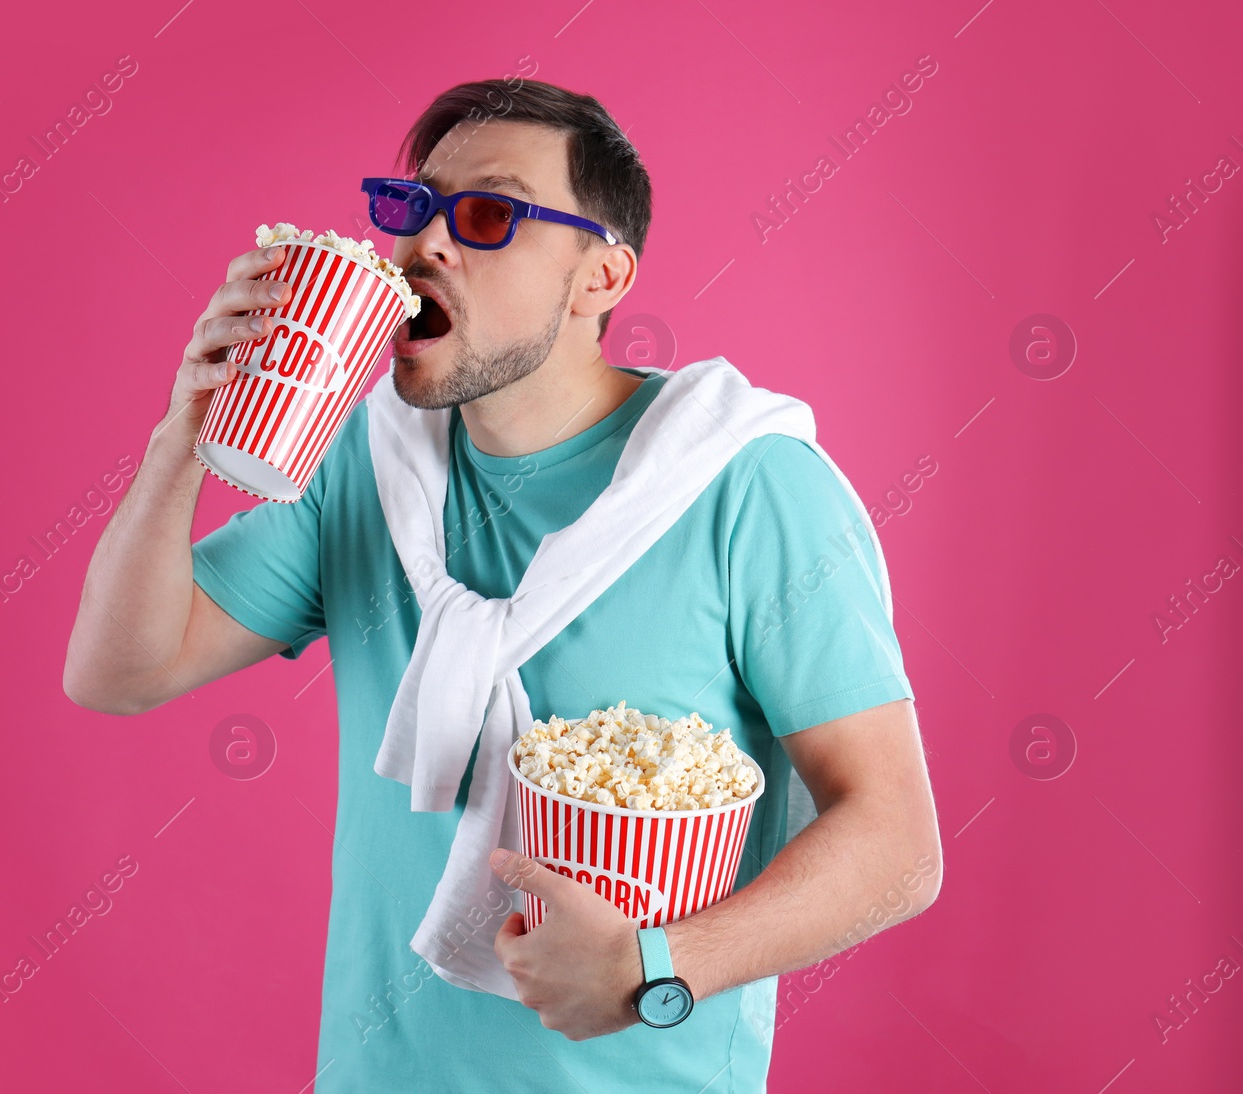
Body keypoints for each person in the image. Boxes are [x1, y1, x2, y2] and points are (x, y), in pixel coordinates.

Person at [64, 77, 942, 1093]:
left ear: (599, 278)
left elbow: (894, 841)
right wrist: (186, 436)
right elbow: (116, 671)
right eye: (410, 206)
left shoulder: (747, 483)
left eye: (485, 214)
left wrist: (653, 969)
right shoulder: (371, 467)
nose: (424, 243)